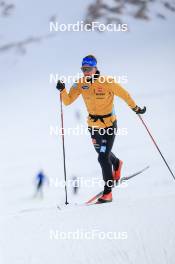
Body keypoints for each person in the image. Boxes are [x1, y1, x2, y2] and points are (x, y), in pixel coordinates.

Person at [56, 55, 146, 203]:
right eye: (83, 69)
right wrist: (62, 90)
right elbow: (67, 101)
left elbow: (125, 95)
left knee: (102, 157)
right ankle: (117, 163)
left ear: (95, 68)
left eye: (89, 69)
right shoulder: (80, 84)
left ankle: (108, 192)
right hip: (93, 126)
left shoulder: (107, 82)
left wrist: (136, 108)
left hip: (109, 125)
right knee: (104, 153)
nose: (86, 72)